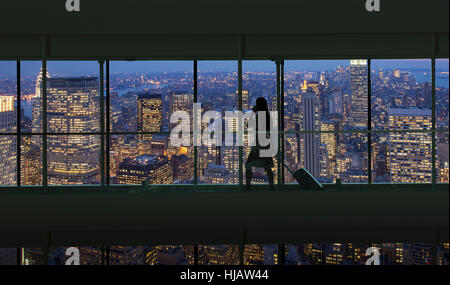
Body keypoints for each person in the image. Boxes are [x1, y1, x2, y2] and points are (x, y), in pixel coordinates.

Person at [245, 97, 275, 191]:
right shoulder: (268, 116)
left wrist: (253, 113)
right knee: (267, 166)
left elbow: (248, 125)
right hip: (266, 144)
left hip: (258, 144)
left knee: (249, 165)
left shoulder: (259, 116)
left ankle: (248, 187)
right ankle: (271, 187)